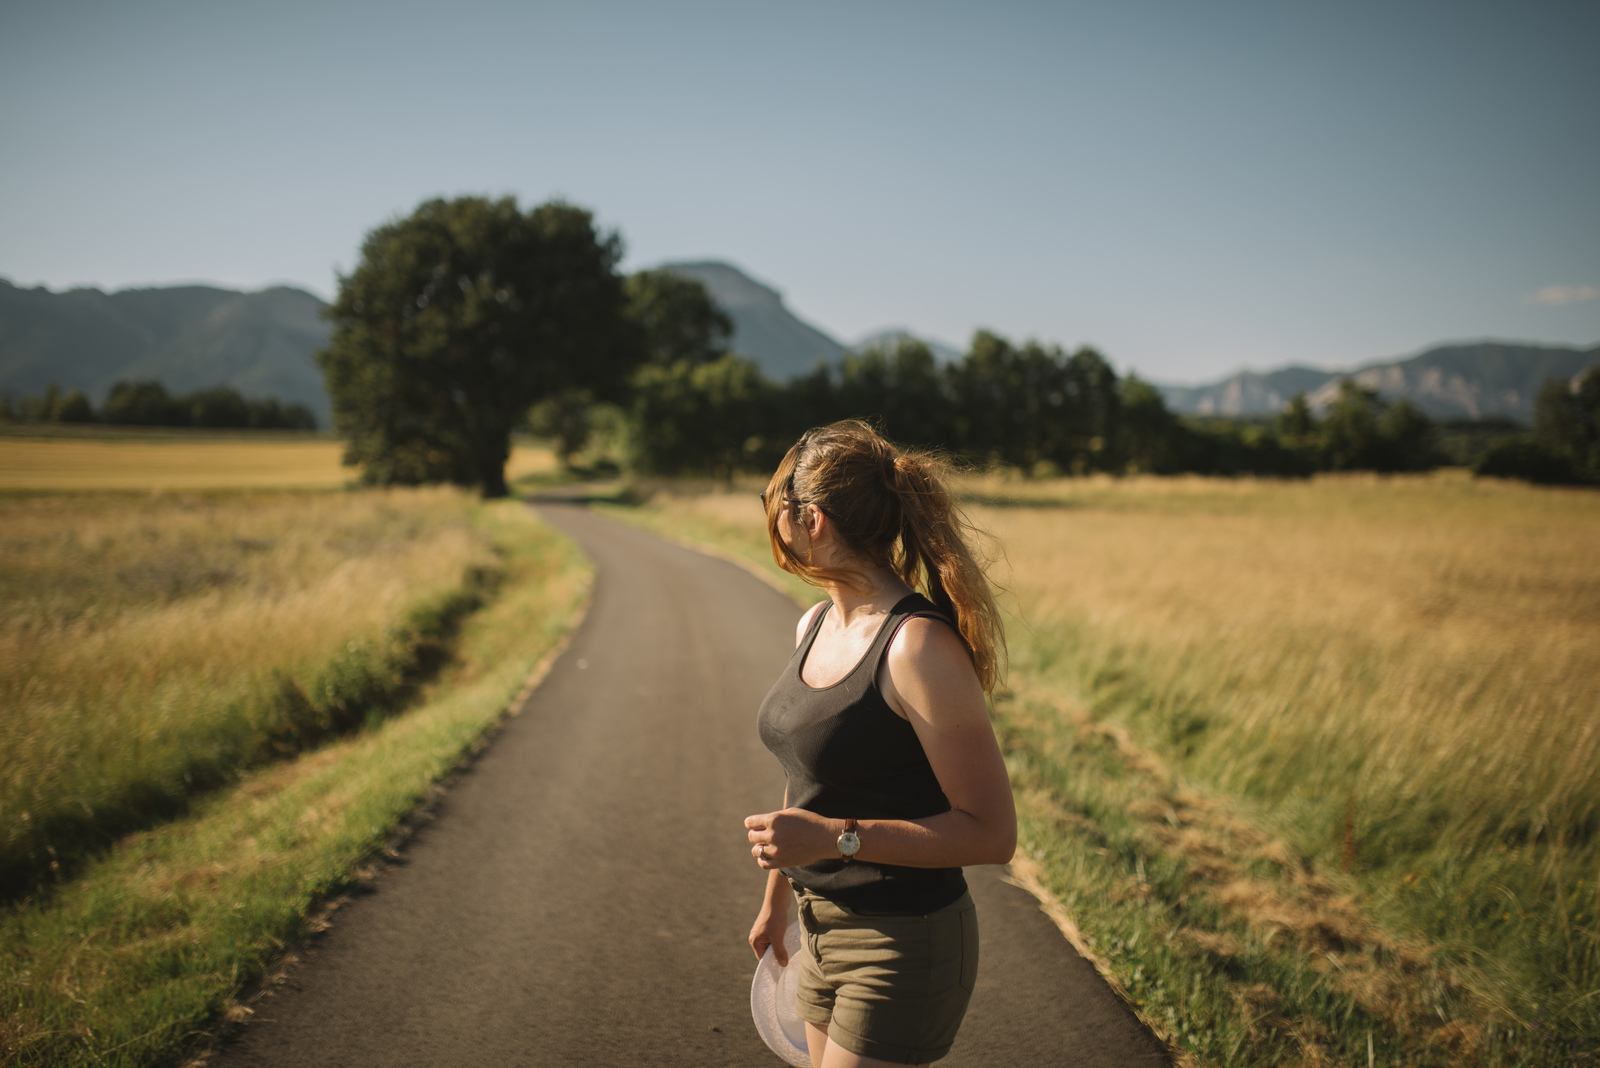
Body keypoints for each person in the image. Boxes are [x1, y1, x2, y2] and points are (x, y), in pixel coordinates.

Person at [744, 419, 1017, 1068]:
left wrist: (836, 838)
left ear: (812, 518)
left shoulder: (917, 647)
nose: (770, 521)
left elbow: (991, 834)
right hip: (816, 928)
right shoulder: (814, 623)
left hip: (899, 939)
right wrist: (776, 899)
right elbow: (810, 773)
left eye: (772, 504)